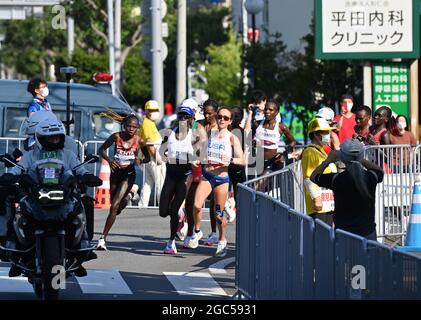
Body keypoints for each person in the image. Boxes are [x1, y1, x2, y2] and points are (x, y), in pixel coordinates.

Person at [5, 118, 100, 276]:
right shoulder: (31, 155)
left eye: (57, 137)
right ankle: (15, 250)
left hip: (64, 195)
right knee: (18, 208)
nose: (55, 140)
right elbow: (18, 169)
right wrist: (11, 176)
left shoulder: (68, 155)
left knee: (85, 203)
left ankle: (82, 248)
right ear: (41, 138)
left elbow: (80, 170)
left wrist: (88, 176)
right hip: (35, 195)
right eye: (51, 137)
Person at [188, 107, 245, 257]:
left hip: (222, 179)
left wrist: (231, 160)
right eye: (220, 116)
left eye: (226, 118)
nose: (222, 120)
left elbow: (243, 160)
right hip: (208, 176)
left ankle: (222, 239)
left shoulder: (232, 138)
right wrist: (196, 159)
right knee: (196, 204)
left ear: (230, 121)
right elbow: (200, 151)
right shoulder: (210, 134)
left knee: (218, 215)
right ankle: (197, 232)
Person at [311, 138, 384, 240]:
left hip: (344, 233)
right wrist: (360, 159)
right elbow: (380, 171)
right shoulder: (371, 176)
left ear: (342, 157)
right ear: (362, 155)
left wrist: (328, 161)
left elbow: (314, 177)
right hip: (368, 232)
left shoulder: (337, 179)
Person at [96, 114, 150, 250]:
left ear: (137, 128)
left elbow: (148, 158)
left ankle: (102, 238)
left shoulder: (139, 141)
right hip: (115, 174)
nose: (131, 129)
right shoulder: (116, 136)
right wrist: (109, 160)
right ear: (124, 126)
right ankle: (129, 196)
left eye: (134, 127)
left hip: (128, 175)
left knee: (114, 207)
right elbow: (100, 149)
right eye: (129, 126)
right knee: (116, 208)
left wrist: (140, 160)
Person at [158, 106, 199, 254]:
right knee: (163, 211)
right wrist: (165, 156)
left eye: (186, 116)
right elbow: (161, 151)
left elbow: (200, 155)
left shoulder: (194, 136)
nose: (182, 118)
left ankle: (171, 243)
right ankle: (180, 216)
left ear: (190, 119)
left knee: (174, 209)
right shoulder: (169, 133)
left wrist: (193, 159)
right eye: (180, 116)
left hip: (185, 176)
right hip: (170, 174)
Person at [185, 99, 219, 247]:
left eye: (210, 113)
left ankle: (214, 233)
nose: (207, 115)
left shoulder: (222, 126)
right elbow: (187, 138)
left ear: (216, 112)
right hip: (198, 165)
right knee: (192, 201)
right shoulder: (197, 124)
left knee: (213, 203)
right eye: (205, 112)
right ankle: (192, 232)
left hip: (215, 168)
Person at [301, 118, 337, 225]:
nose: (329, 135)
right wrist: (317, 199)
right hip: (318, 205)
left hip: (327, 203)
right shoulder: (310, 151)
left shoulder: (321, 150)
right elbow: (308, 178)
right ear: (316, 134)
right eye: (326, 132)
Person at [253, 99, 295, 178]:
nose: (267, 111)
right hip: (258, 162)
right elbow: (250, 139)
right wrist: (253, 142)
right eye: (266, 109)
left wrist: (285, 154)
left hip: (273, 162)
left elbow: (292, 142)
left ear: (276, 112)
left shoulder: (281, 127)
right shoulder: (257, 124)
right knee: (259, 187)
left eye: (270, 110)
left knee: (260, 184)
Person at [139, 100, 166, 207]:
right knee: (160, 182)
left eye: (155, 110)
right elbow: (150, 144)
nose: (153, 112)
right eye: (151, 110)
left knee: (147, 183)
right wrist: (157, 158)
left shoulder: (148, 123)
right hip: (153, 158)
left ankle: (142, 205)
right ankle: (162, 205)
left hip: (149, 159)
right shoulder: (147, 124)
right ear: (146, 111)